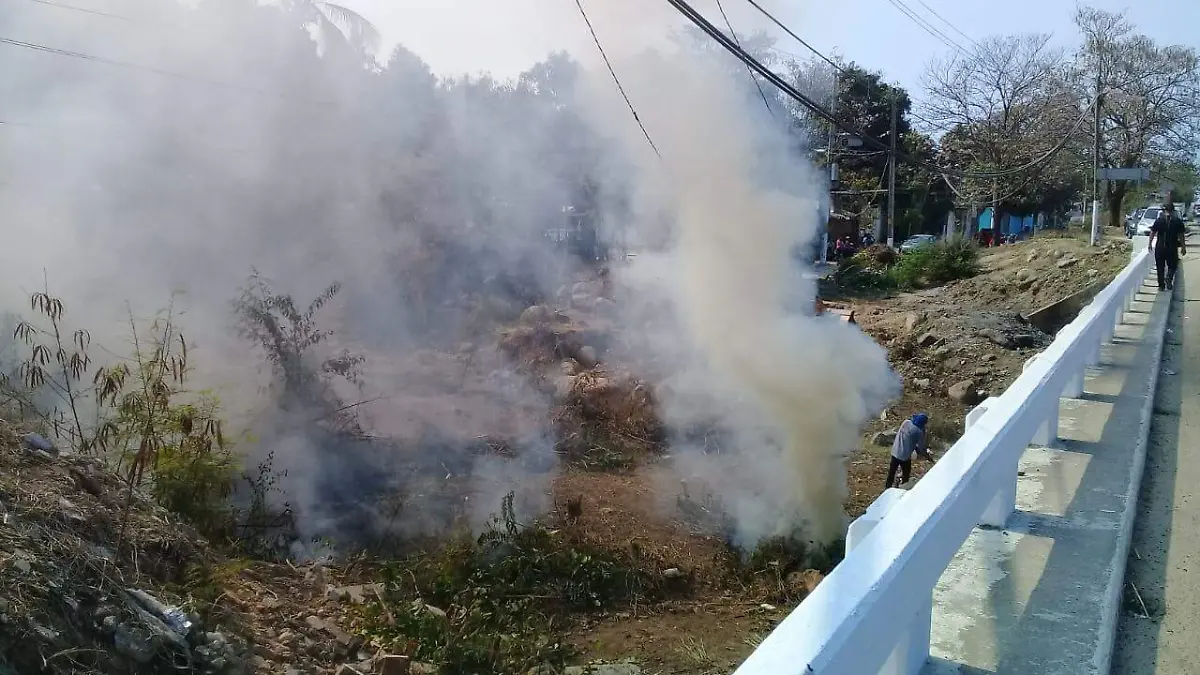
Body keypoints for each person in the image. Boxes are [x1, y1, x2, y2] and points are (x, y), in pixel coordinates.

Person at [886, 413, 936, 489]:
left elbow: (908, 437)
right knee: (906, 474)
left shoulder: (905, 422)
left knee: (891, 472)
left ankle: (887, 487)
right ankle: (903, 488)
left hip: (895, 452)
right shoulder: (919, 432)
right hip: (904, 457)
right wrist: (928, 457)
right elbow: (921, 448)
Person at [1148, 203, 1187, 291]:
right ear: (1173, 211)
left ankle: (1161, 286)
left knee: (1160, 267)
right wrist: (1183, 247)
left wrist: (1150, 243)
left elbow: (1153, 233)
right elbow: (1181, 236)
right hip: (1172, 247)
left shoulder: (1159, 220)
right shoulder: (1178, 221)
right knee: (1173, 265)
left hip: (1160, 247)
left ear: (1164, 211)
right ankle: (1169, 277)